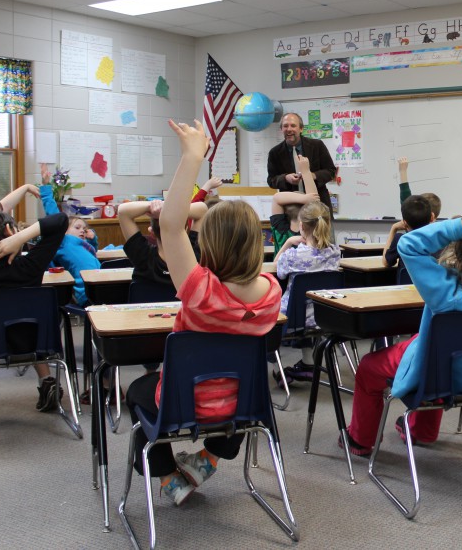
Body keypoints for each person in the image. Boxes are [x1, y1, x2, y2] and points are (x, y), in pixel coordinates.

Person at [125, 119, 281, 506]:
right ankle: (209, 458)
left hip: (183, 404)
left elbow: (171, 224)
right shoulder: (272, 293)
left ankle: (167, 478)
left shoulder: (197, 290)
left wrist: (193, 157)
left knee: (138, 392)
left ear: (207, 241)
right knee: (240, 386)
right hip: (241, 407)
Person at [342, 214, 462, 455]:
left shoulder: (445, 291)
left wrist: (458, 227)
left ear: (458, 251)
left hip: (434, 379)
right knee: (436, 349)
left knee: (370, 367)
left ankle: (361, 441)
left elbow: (407, 245)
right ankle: (422, 432)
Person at [0, 208, 70, 420]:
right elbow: (61, 221)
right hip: (33, 344)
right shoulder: (30, 266)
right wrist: (20, 238)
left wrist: (14, 237)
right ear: (11, 232)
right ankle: (46, 382)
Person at [274, 200, 341, 382]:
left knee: (274, 312)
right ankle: (307, 363)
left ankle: (275, 366)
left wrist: (288, 243)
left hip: (295, 318)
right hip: (325, 317)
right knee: (305, 303)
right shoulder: (335, 253)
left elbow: (277, 269)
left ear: (301, 226)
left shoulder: (293, 255)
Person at [39, 168, 99, 306]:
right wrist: (46, 189)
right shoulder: (64, 241)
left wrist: (92, 239)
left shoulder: (82, 245)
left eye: (84, 229)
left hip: (99, 287)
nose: (82, 231)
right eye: (77, 228)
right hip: (86, 293)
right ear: (63, 231)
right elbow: (54, 215)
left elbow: (93, 252)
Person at [117, 199, 207, 289]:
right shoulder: (194, 257)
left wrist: (155, 206)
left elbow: (123, 211)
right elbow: (203, 210)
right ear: (186, 229)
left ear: (152, 232)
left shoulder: (143, 257)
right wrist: (168, 207)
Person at [267, 112, 337, 211]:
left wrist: (311, 175)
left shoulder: (317, 146)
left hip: (318, 205)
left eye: (293, 125)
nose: (289, 129)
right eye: (285, 126)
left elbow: (331, 171)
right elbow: (271, 180)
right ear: (281, 129)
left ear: (301, 128)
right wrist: (286, 178)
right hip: (291, 208)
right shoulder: (275, 153)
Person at [270, 155, 320, 254]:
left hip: (280, 269)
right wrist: (306, 171)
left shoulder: (281, 229)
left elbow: (276, 198)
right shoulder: (310, 232)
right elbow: (314, 201)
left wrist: (304, 199)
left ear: (285, 211)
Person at [382, 194, 434, 267]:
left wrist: (393, 228)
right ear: (432, 217)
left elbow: (386, 262)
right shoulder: (439, 239)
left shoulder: (401, 240)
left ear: (405, 223)